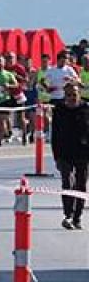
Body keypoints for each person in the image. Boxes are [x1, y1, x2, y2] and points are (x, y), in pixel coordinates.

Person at [52, 86, 89, 229]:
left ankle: (77, 217)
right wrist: (56, 156)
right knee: (67, 182)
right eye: (68, 95)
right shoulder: (59, 110)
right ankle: (68, 215)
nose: (71, 98)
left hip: (83, 153)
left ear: (79, 94)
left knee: (81, 185)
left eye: (74, 95)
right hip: (64, 153)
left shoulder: (86, 109)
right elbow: (55, 134)